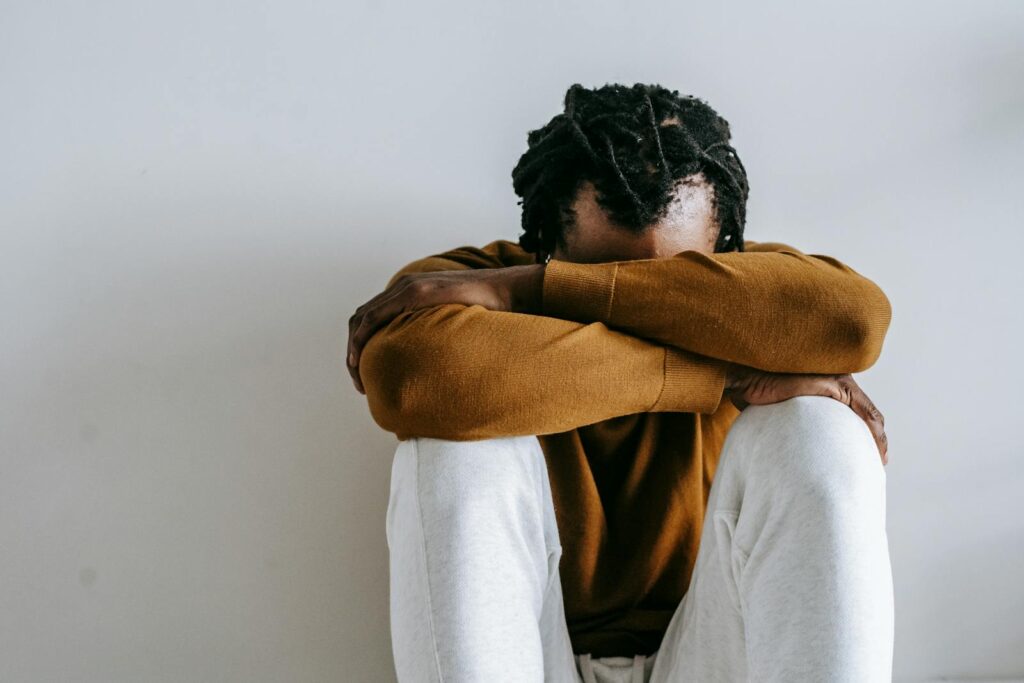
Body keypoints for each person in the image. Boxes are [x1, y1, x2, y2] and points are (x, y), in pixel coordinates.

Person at [347, 83, 894, 682]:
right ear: (548, 245)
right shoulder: (461, 286)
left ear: (722, 252)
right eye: (600, 273)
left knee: (820, 429)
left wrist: (547, 293)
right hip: (529, 650)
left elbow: (855, 321)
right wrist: (723, 370)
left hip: (714, 645)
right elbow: (415, 381)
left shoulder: (753, 298)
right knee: (447, 451)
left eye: (674, 282)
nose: (635, 295)